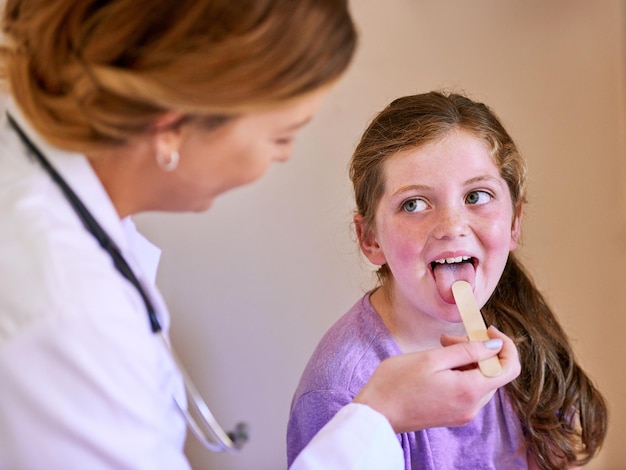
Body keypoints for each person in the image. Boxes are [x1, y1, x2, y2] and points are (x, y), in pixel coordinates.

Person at [0, 1, 520, 468]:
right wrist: (377, 416)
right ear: (175, 122)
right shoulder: (65, 310)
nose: (283, 155)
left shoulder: (65, 223)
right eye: (282, 134)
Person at [287, 91, 608, 469]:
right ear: (370, 239)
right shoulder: (342, 393)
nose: (452, 227)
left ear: (514, 222)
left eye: (477, 195)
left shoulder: (522, 331)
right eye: (414, 204)